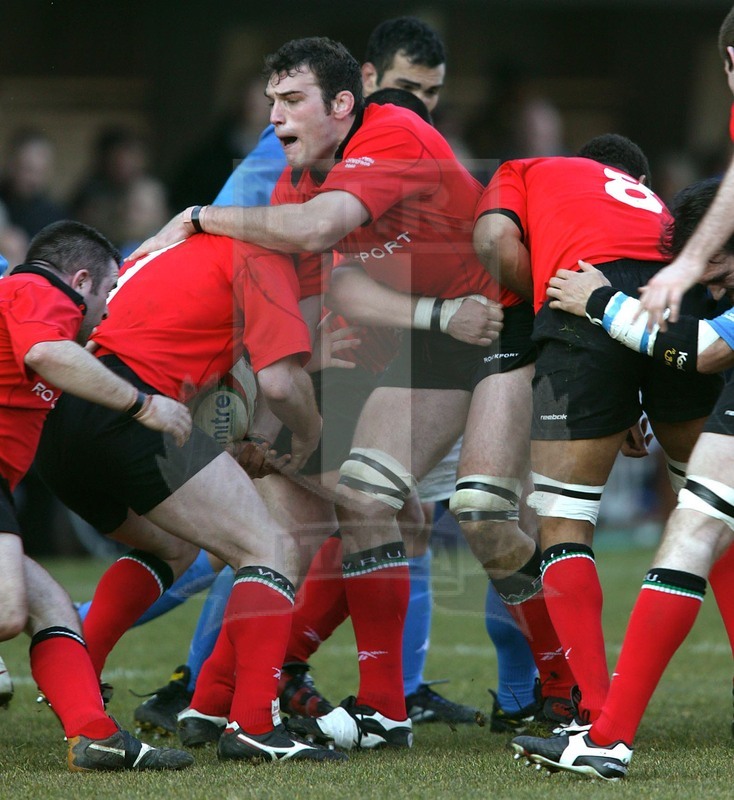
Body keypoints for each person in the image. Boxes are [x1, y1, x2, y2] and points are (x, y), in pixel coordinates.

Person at [130, 35, 575, 750]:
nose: (275, 117)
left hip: (505, 324)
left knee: (486, 513)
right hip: (431, 340)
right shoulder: (295, 177)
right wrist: (304, 371)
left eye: (291, 100)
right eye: (271, 102)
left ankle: (565, 687)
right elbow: (324, 283)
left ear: (346, 101)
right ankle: (377, 708)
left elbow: (317, 234)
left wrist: (198, 216)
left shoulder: (391, 132)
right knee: (365, 499)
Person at [34, 227, 347, 764]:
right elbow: (279, 384)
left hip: (66, 412)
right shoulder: (265, 255)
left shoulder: (165, 253)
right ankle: (253, 725)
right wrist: (311, 436)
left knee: (170, 549)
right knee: (268, 548)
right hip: (137, 408)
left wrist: (251, 437)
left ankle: (81, 678)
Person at [473, 133, 723, 726]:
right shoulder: (656, 205)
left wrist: (548, 305)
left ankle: (594, 710)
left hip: (585, 293)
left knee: (563, 521)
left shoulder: (529, 167)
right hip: (675, 298)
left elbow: (493, 239)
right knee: (714, 510)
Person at [0, 219, 193, 771]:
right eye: (108, 292)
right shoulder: (42, 290)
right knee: (9, 610)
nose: (107, 310)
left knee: (50, 606)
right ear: (82, 280)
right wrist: (142, 405)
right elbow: (46, 352)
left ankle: (96, 735)